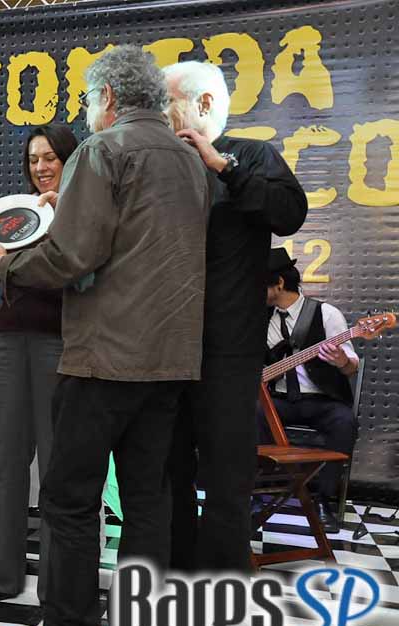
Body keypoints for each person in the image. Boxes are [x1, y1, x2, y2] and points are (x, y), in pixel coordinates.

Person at [0, 46, 210, 626]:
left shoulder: (103, 149)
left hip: (105, 357)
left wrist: (7, 263)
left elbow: (71, 256)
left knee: (70, 498)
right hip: (170, 359)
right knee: (148, 505)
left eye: (89, 99)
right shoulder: (189, 159)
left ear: (107, 97)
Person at [163, 61, 307, 573]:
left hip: (227, 349)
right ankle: (174, 578)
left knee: (227, 475)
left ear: (203, 104)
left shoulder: (250, 155)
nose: (158, 113)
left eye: (166, 102)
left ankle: (221, 585)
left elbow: (289, 213)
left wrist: (223, 167)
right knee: (167, 474)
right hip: (163, 348)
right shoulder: (159, 165)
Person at [0, 124, 78, 604]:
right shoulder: (17, 215)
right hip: (11, 342)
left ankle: (56, 585)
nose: (41, 167)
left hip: (60, 343)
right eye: (33, 159)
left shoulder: (80, 210)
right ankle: (1, 576)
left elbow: (75, 273)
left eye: (49, 157)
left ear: (69, 159)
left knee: (56, 464)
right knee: (8, 459)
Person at [259, 247, 358, 533]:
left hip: (320, 400)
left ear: (279, 283)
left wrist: (341, 361)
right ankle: (263, 492)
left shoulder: (326, 314)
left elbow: (351, 366)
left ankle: (323, 499)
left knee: (345, 422)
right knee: (249, 413)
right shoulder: (260, 317)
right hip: (278, 399)